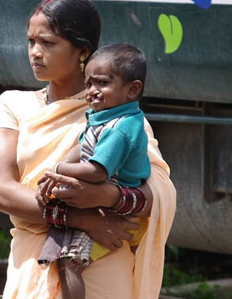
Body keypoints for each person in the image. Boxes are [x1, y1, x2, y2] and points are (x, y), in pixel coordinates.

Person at [0, 0, 176, 299]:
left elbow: (159, 195)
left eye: (47, 43)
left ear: (82, 52)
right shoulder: (13, 105)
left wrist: (107, 195)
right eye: (31, 42)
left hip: (102, 260)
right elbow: (1, 191)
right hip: (32, 258)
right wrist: (81, 217)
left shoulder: (120, 117)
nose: (35, 52)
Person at [36, 43, 152, 299]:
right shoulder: (104, 116)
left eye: (101, 84)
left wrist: (58, 169)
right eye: (88, 84)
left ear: (133, 89)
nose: (92, 92)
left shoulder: (119, 129)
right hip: (101, 199)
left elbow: (97, 172)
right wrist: (58, 174)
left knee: (69, 263)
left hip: (114, 210)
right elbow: (82, 146)